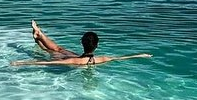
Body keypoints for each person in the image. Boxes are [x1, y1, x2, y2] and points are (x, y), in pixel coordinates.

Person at [11, 20, 152, 66]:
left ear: (81, 43)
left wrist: (23, 63)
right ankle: (38, 35)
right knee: (52, 51)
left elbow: (46, 63)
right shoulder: (101, 59)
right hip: (80, 58)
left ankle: (39, 35)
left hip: (75, 57)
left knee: (55, 50)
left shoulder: (74, 60)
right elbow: (120, 57)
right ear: (97, 45)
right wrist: (141, 55)